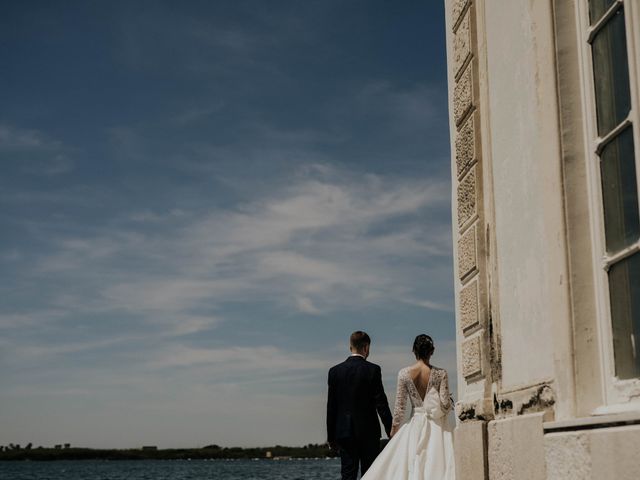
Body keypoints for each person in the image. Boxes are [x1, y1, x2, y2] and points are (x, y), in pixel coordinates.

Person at [361, 334, 455, 480]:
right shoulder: (441, 374)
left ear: (413, 351)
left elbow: (400, 408)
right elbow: (445, 404)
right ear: (433, 350)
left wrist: (393, 432)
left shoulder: (404, 374)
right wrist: (449, 402)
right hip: (437, 427)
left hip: (415, 424)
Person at [326, 331, 393, 480]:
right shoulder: (373, 370)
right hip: (368, 432)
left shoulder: (334, 372)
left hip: (344, 431)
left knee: (348, 475)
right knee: (370, 474)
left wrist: (331, 437)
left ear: (350, 347)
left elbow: (331, 407)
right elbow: (381, 403)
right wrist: (390, 429)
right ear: (366, 347)